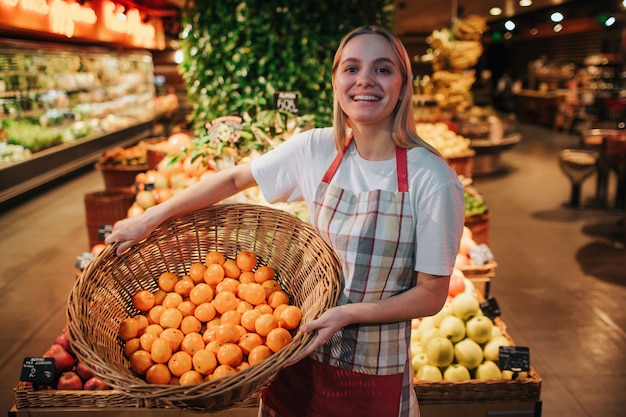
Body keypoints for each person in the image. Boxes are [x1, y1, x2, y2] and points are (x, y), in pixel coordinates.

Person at [106, 25, 465, 417]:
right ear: (335, 81)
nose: (364, 80)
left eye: (382, 69)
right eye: (351, 68)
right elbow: (233, 178)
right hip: (293, 351)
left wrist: (348, 314)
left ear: (403, 84)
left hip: (373, 366)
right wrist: (152, 218)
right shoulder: (315, 148)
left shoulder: (432, 177)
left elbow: (431, 294)